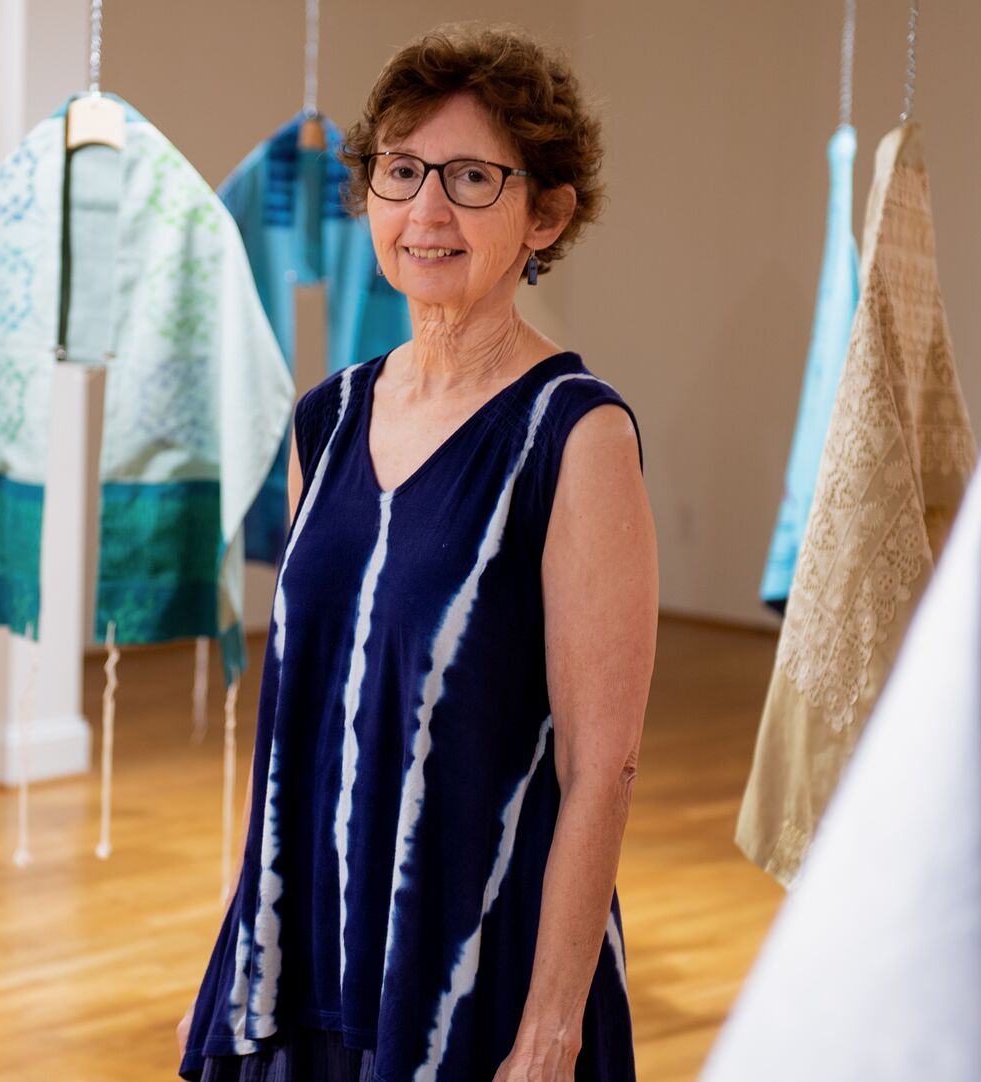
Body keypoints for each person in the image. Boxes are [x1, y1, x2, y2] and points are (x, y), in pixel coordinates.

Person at [176, 23, 655, 1082]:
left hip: (473, 967)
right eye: (400, 172)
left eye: (472, 177)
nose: (427, 210)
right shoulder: (327, 417)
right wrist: (237, 939)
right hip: (307, 948)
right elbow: (292, 710)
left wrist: (551, 1028)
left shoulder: (576, 434)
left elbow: (602, 764)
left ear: (546, 214)